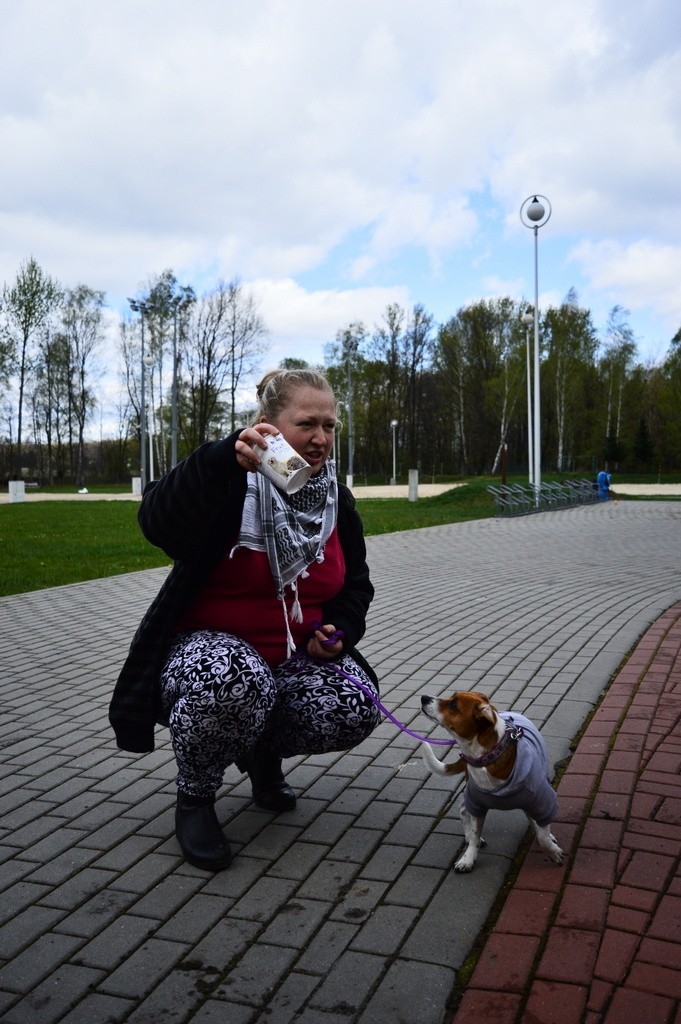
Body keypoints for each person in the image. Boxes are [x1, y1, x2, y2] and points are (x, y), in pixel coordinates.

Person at [109, 368, 380, 872]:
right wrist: (218, 460)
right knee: (237, 679)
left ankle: (258, 753)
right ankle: (195, 798)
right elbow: (156, 518)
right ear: (268, 426)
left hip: (290, 656)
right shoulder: (229, 483)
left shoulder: (335, 501)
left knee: (352, 702)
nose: (320, 438)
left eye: (330, 425)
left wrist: (339, 631)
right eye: (307, 424)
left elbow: (356, 584)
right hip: (208, 656)